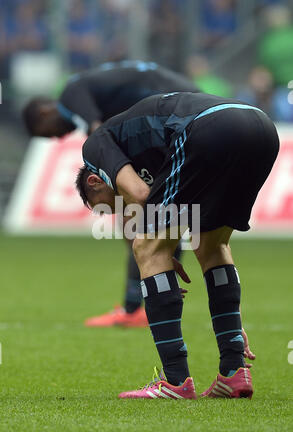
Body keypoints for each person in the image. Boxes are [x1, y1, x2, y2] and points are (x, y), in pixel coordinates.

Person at [76, 91, 279, 399]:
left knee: (146, 248)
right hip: (261, 129)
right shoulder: (147, 153)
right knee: (212, 245)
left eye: (114, 204)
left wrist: (158, 249)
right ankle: (234, 370)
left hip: (209, 128)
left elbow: (140, 193)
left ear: (95, 181)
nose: (122, 211)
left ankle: (175, 381)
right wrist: (230, 324)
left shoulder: (94, 147)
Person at [22, 60, 200, 328]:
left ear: (45, 113)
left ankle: (135, 308)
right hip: (188, 110)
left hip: (180, 113)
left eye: (48, 134)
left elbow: (99, 135)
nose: (57, 139)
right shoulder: (91, 87)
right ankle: (151, 299)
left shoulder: (71, 94)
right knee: (158, 217)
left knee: (135, 220)